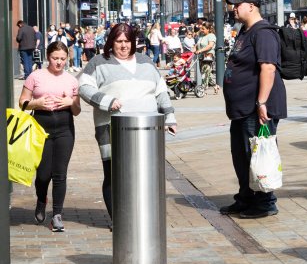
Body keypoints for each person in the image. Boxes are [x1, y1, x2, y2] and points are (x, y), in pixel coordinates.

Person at [78, 23, 176, 225]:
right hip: (111, 127)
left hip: (146, 129)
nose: (123, 46)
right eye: (119, 41)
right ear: (111, 42)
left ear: (134, 42)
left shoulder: (147, 62)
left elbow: (161, 91)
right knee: (114, 173)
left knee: (143, 173)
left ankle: (141, 216)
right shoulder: (98, 62)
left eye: (127, 41)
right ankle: (119, 220)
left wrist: (169, 116)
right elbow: (84, 87)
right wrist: (107, 101)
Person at [219, 0, 288, 219]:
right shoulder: (245, 31)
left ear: (251, 6)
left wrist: (261, 102)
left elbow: (267, 68)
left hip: (255, 108)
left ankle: (265, 202)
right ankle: (246, 198)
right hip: (241, 108)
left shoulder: (264, 33)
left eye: (237, 5)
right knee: (241, 155)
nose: (233, 9)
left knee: (258, 154)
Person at [19, 42, 81, 232]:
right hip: (40, 129)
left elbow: (77, 111)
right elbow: (22, 102)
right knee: (44, 174)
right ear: (48, 57)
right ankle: (40, 200)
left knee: (60, 174)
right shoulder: (35, 76)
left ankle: (57, 215)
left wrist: (70, 101)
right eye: (55, 58)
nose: (59, 62)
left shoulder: (71, 80)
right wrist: (36, 103)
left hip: (64, 129)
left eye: (63, 59)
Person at [194, 21, 218, 93]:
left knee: (205, 71)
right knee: (207, 73)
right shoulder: (202, 37)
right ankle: (215, 86)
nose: (201, 30)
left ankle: (203, 89)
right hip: (201, 57)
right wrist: (194, 48)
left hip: (208, 56)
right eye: (201, 28)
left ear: (208, 29)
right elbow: (197, 45)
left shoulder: (211, 36)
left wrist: (200, 50)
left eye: (203, 29)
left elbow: (210, 46)